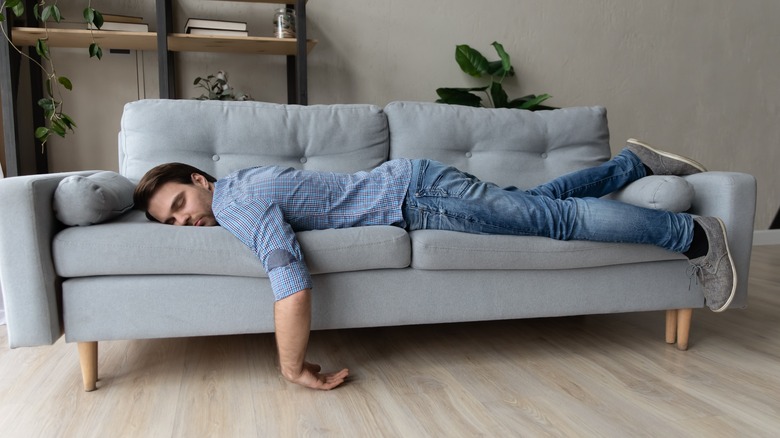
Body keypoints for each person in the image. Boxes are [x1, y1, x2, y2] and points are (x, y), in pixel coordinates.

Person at [133, 138, 736, 391]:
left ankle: (694, 237)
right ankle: (632, 165)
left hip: (418, 198)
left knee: (556, 223)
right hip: (417, 183)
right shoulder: (241, 182)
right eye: (173, 222)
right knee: (539, 205)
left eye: (183, 204)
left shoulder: (236, 202)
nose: (187, 220)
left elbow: (289, 284)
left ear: (200, 180)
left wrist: (292, 368)